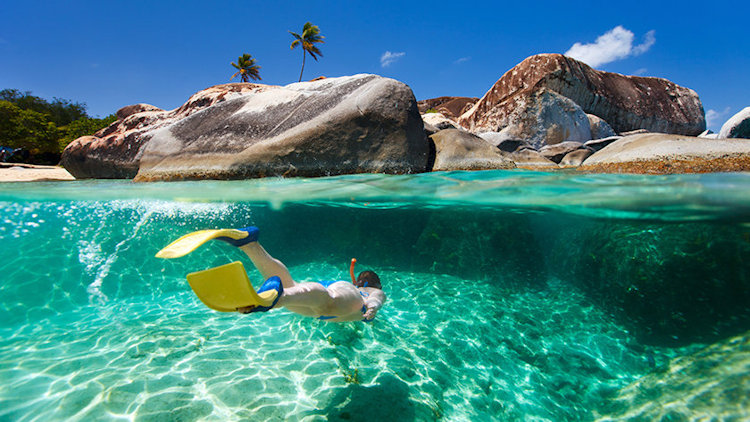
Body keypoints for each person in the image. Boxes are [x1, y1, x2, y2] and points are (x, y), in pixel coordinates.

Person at [220, 227, 386, 322]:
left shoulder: (353, 287)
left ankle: (249, 244)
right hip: (350, 298)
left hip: (323, 293)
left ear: (358, 280)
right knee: (327, 302)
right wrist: (372, 307)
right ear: (374, 284)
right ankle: (279, 297)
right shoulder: (371, 290)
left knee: (289, 288)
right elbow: (376, 298)